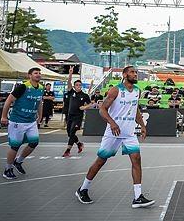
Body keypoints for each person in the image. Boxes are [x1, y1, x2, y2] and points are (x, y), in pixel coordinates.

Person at [75, 66, 154, 208]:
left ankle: (138, 197)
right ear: (124, 75)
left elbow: (135, 109)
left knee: (136, 159)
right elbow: (102, 109)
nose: (135, 74)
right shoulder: (115, 90)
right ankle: (83, 189)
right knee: (101, 161)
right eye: (132, 72)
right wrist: (112, 123)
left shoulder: (137, 91)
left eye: (136, 72)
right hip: (114, 132)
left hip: (129, 133)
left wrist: (142, 125)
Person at [0, 68, 44, 180]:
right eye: (35, 73)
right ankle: (7, 169)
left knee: (34, 142)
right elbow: (9, 100)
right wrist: (4, 116)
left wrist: (40, 116)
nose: (38, 75)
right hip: (18, 121)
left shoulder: (41, 87)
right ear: (29, 75)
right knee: (15, 146)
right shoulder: (23, 87)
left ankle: (18, 161)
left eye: (39, 73)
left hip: (31, 121)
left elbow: (39, 102)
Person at [64, 66, 95, 158]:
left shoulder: (84, 95)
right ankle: (79, 144)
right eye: (77, 85)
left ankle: (67, 151)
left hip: (78, 117)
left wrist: (84, 107)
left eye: (80, 85)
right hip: (70, 116)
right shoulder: (71, 92)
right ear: (74, 86)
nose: (78, 86)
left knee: (72, 132)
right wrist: (70, 73)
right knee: (69, 133)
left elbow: (91, 104)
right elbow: (68, 82)